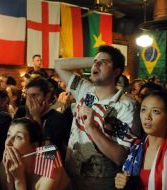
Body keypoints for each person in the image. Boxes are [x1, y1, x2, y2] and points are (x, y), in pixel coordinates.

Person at [54, 45, 137, 189]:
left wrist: (92, 128)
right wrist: (96, 59)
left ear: (116, 71)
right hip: (70, 180)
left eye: (104, 62)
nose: (96, 64)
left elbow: (121, 157)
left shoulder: (125, 105)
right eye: (95, 62)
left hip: (100, 184)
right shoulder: (84, 89)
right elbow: (59, 65)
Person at [0, 117, 69, 190]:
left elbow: (51, 152)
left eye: (18, 137)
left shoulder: (51, 167)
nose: (7, 143)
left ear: (34, 146)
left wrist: (19, 180)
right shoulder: (4, 166)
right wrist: (9, 180)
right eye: (8, 135)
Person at [14, 77, 70, 160]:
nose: (30, 100)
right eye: (28, 96)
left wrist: (36, 117)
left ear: (47, 96)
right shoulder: (21, 111)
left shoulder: (58, 118)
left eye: (34, 95)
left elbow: (50, 156)